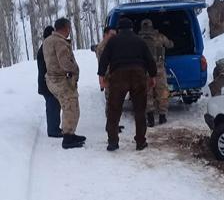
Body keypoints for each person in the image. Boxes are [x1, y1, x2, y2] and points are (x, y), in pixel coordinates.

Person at [98, 17, 157, 152]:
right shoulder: (139, 41)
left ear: (119, 29)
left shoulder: (113, 41)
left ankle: (113, 142)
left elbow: (104, 59)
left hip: (118, 76)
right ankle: (140, 142)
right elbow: (150, 60)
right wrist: (152, 76)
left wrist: (101, 77)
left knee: (114, 109)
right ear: (131, 28)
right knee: (140, 110)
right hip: (138, 75)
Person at [43, 18, 86, 149]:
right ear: (65, 28)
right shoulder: (60, 42)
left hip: (51, 79)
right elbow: (65, 62)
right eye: (69, 28)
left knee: (68, 106)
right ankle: (68, 138)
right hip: (61, 80)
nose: (69, 31)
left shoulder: (48, 40)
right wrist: (75, 69)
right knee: (71, 107)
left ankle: (70, 134)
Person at [138, 19, 174, 127]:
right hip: (158, 69)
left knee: (147, 93)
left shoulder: (138, 39)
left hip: (144, 70)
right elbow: (170, 45)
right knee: (162, 91)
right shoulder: (159, 37)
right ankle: (162, 116)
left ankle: (150, 117)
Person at [37, 26, 62, 138]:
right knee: (52, 105)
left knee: (54, 105)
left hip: (45, 82)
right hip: (47, 83)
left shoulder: (43, 48)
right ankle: (53, 130)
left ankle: (54, 128)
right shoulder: (46, 49)